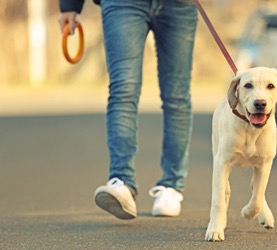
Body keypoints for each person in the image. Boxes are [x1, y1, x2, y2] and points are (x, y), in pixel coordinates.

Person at [58, 0, 198, 219]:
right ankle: (121, 182)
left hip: (178, 4)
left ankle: (172, 187)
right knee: (122, 89)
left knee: (177, 96)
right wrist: (70, 5)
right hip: (122, 3)